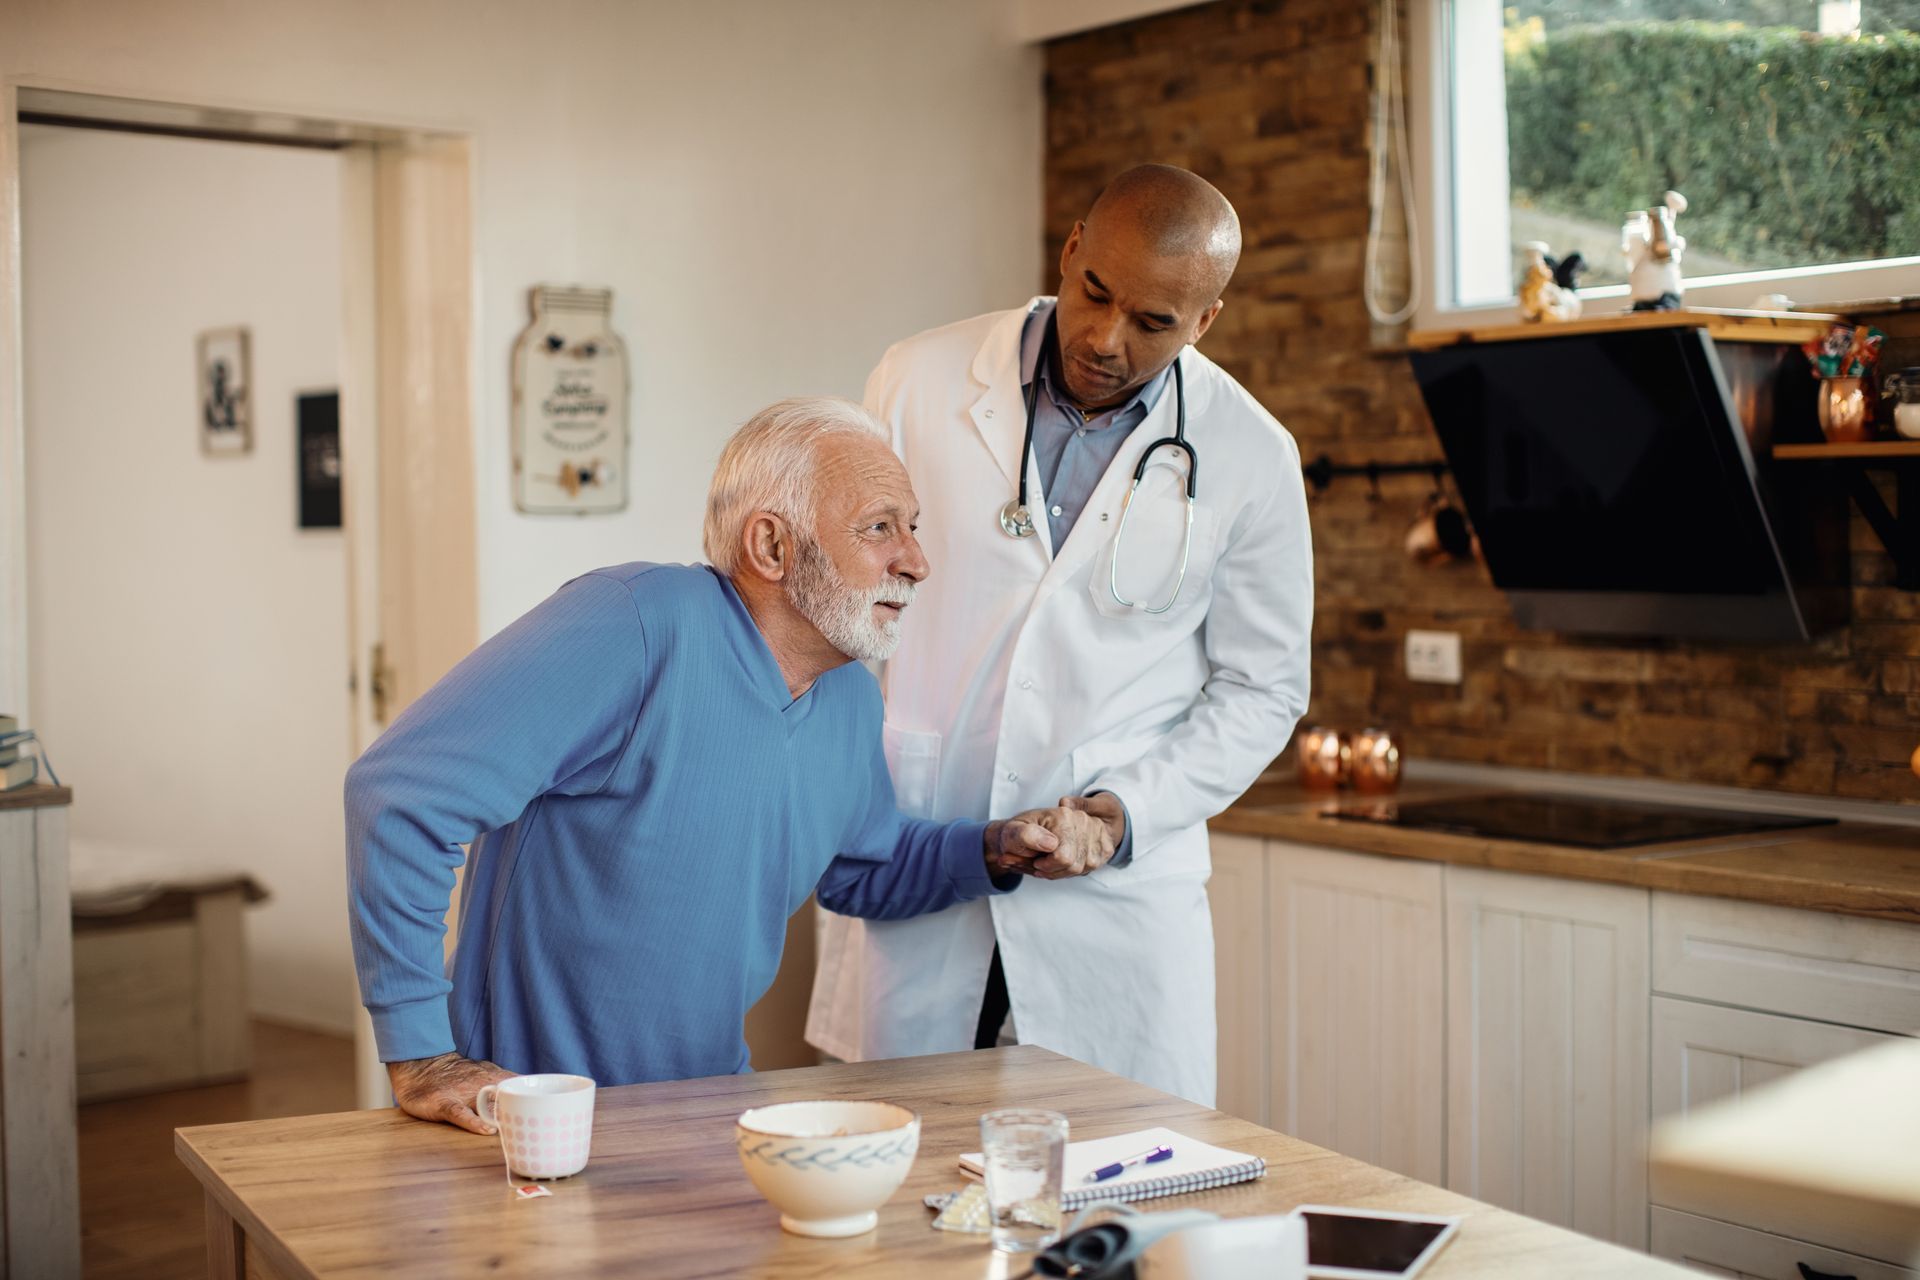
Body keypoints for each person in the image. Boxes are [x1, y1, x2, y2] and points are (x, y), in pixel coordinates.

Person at [347, 397, 1109, 1134]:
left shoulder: (848, 698)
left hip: (705, 1117)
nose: (916, 561)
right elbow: (403, 796)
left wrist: (995, 847)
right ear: (772, 546)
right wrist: (421, 1053)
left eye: (910, 528)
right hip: (525, 1117)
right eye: (880, 528)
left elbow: (861, 864)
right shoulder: (638, 623)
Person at [807, 165, 1313, 1105]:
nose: (1106, 339)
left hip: (1113, 902)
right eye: (1096, 295)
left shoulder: (1250, 454)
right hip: (926, 834)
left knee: (1118, 1191)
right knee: (907, 1183)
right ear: (1072, 247)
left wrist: (1124, 814)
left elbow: (1263, 691)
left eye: (1154, 323)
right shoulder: (915, 378)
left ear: (1205, 322)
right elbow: (840, 596)